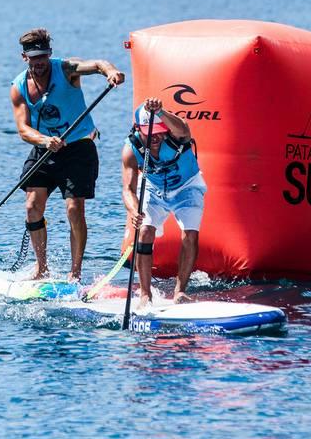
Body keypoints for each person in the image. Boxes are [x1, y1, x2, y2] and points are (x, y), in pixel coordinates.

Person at [10, 28, 124, 282]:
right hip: (45, 149)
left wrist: (111, 72)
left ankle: (75, 273)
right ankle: (42, 269)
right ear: (24, 57)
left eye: (43, 56)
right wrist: (45, 140)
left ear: (49, 54)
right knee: (32, 207)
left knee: (74, 209)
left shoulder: (66, 69)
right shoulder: (18, 87)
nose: (39, 62)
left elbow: (97, 64)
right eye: (34, 58)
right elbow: (23, 129)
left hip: (78, 148)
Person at [121, 97, 206, 307]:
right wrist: (134, 211)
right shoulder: (131, 149)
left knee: (190, 234)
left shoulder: (175, 134)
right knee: (144, 231)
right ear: (137, 129)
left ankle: (180, 291)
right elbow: (128, 189)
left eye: (159, 132)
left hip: (187, 186)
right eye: (149, 133)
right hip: (154, 189)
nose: (156, 137)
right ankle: (145, 294)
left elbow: (184, 129)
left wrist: (160, 112)